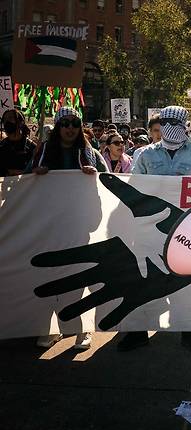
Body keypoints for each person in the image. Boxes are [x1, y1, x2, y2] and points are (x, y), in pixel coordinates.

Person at [123, 105, 191, 354]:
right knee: (144, 278)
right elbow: (134, 188)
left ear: (185, 126)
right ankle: (138, 331)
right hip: (150, 228)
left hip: (187, 229)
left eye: (177, 123)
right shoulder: (144, 155)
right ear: (160, 125)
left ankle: (189, 331)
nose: (172, 128)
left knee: (186, 280)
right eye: (167, 123)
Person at [29, 107, 107, 350]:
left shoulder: (90, 153)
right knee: (51, 277)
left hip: (80, 227)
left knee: (78, 279)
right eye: (65, 124)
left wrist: (94, 175)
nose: (70, 128)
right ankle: (52, 329)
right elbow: (22, 184)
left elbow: (109, 180)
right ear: (58, 128)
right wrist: (35, 174)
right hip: (49, 228)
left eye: (75, 123)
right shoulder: (42, 152)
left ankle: (81, 330)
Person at [0, 109, 37, 177]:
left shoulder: (32, 148)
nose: (6, 122)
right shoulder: (1, 146)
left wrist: (22, 173)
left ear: (20, 122)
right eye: (4, 120)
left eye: (10, 118)